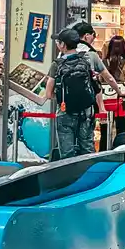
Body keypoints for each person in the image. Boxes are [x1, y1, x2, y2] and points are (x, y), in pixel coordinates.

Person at [46, 28, 99, 159]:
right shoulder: (86, 61)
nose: (57, 44)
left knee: (67, 152)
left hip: (65, 113)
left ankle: (70, 176)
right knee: (87, 149)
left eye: (58, 42)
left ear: (63, 45)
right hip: (86, 112)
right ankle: (88, 175)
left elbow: (48, 93)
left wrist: (62, 96)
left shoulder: (57, 65)